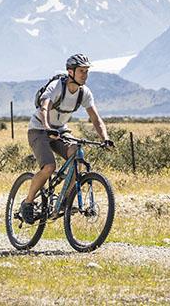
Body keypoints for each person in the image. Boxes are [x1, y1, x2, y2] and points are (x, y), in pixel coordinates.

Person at [21, 54, 113, 223]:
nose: (85, 75)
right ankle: (28, 202)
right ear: (71, 72)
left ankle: (64, 201)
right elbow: (44, 107)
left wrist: (105, 138)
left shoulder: (84, 93)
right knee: (49, 167)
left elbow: (95, 118)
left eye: (86, 71)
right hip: (39, 128)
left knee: (77, 156)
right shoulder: (57, 86)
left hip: (60, 130)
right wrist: (47, 128)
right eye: (81, 71)